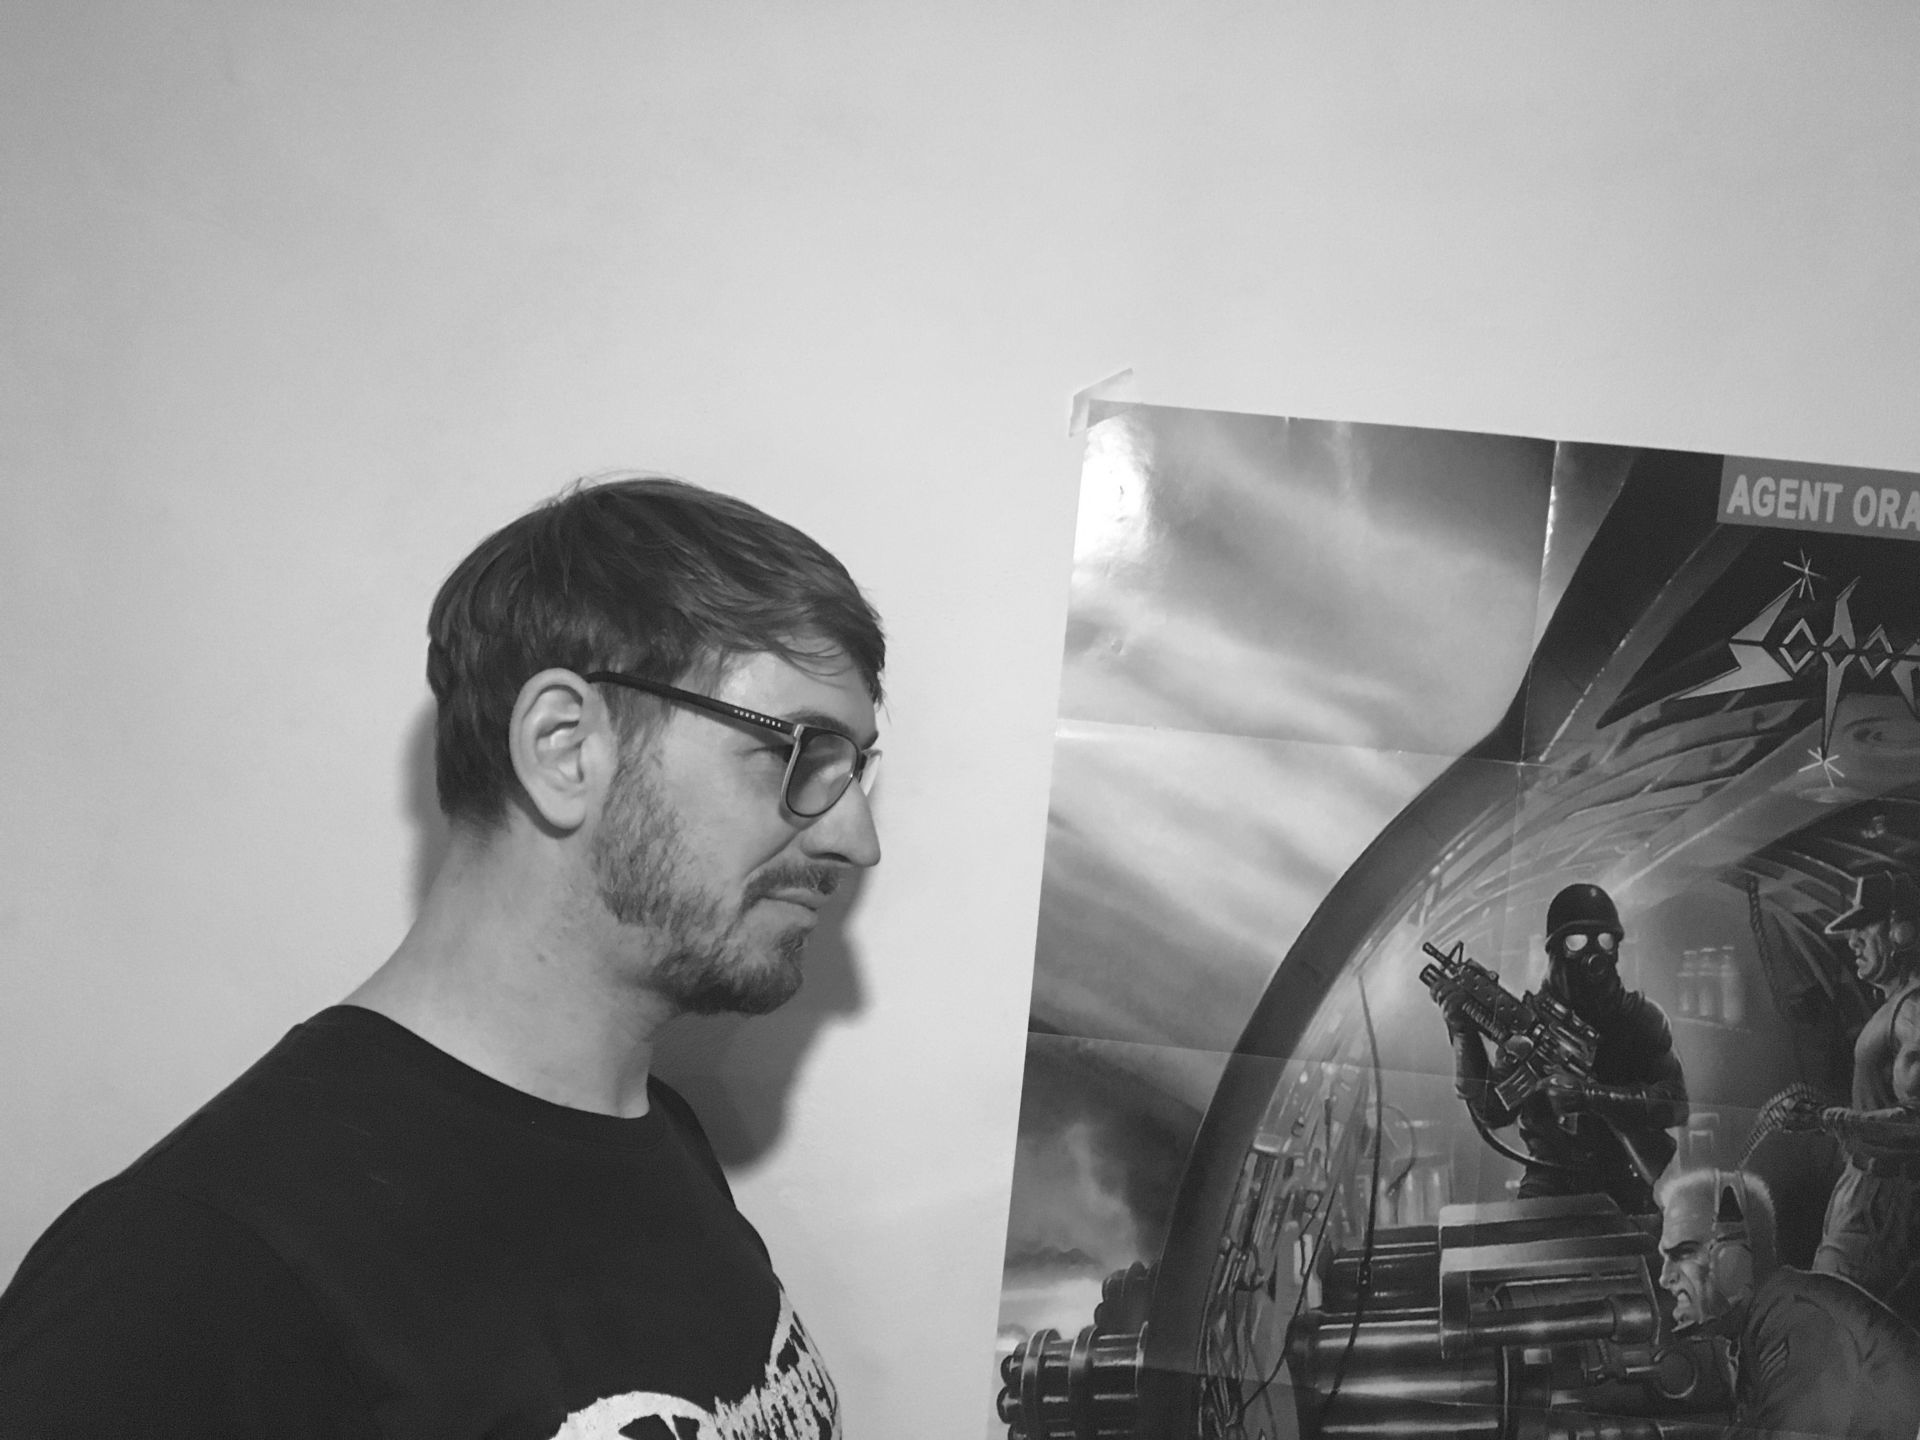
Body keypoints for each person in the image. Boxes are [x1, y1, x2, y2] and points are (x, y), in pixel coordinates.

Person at [0, 477, 885, 1437]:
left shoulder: (651, 1130)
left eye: (854, 771)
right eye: (801, 753)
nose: (857, 838)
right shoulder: (191, 1272)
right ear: (564, 748)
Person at [1437, 882, 1686, 1214]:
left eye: (1605, 940)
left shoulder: (1641, 1018)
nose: (1593, 954)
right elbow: (1493, 1111)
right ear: (1555, 949)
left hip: (1623, 1183)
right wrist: (1463, 1031)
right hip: (1548, 1181)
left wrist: (1590, 1096)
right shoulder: (1531, 1020)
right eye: (1576, 941)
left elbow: (1674, 1104)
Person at [1656, 1166, 1920, 1440]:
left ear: (1731, 1259)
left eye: (1683, 1253)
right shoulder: (1767, 1326)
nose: (1665, 1278)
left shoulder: (1803, 1325)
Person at [1781, 869, 1920, 1332]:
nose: (1852, 941)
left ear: (1901, 931)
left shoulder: (1912, 1010)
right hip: (1871, 1194)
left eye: (1865, 928)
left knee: (1830, 1327)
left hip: (1883, 1204)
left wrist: (1832, 1120)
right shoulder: (1896, 1005)